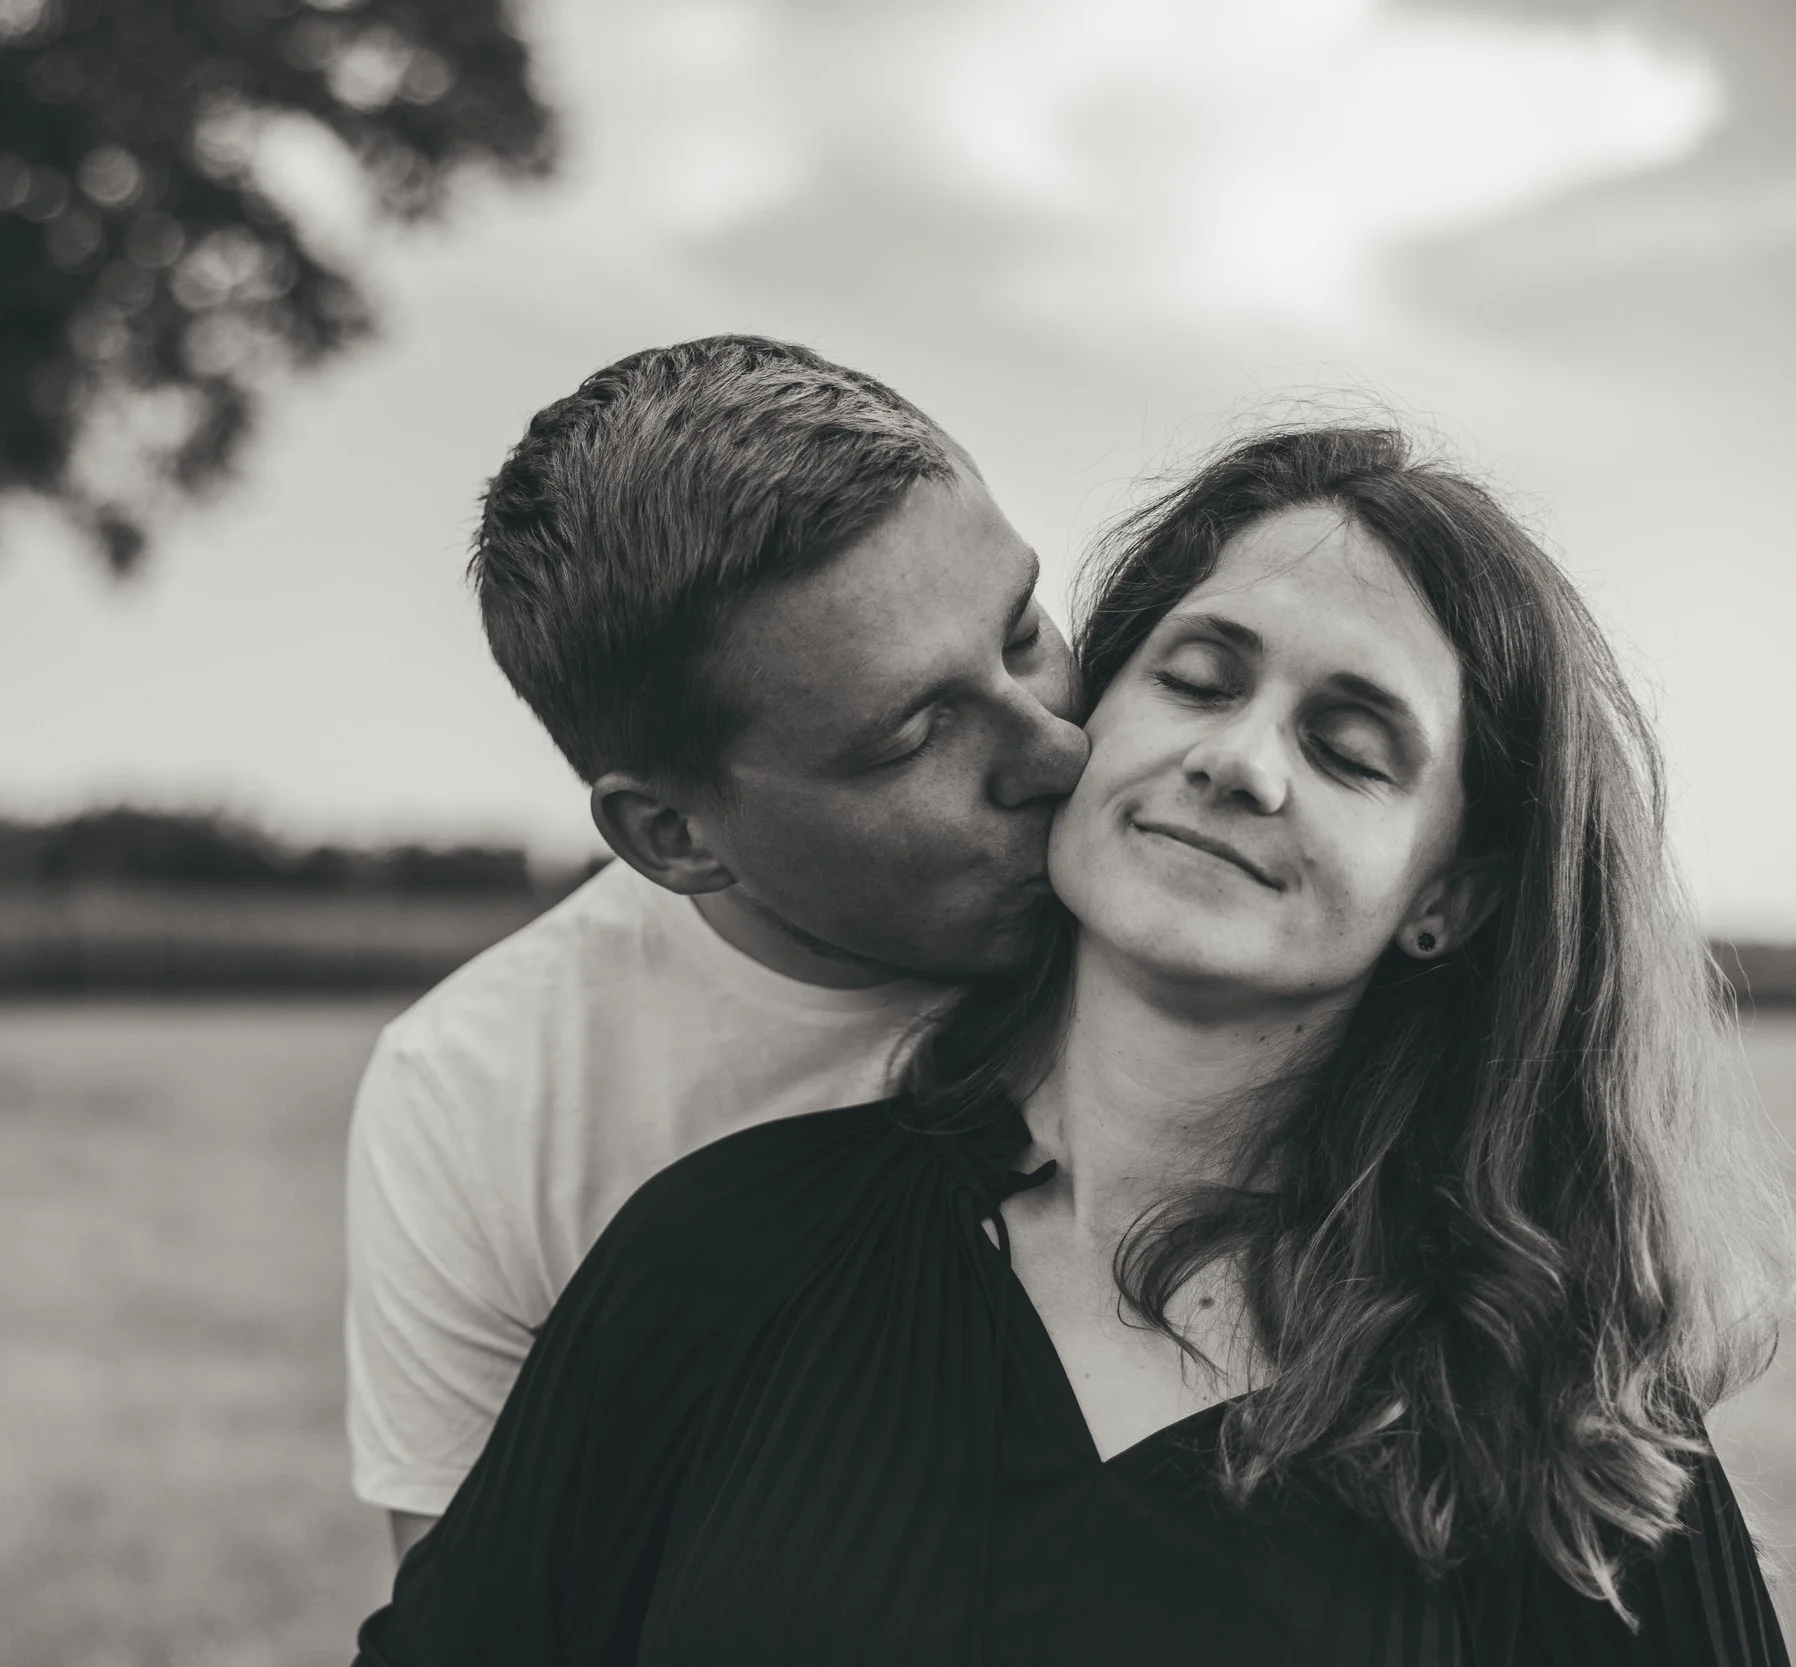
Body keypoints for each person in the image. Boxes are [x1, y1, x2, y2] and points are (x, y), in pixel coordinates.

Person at [354, 424, 1793, 1664]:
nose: (1240, 757)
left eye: (1353, 746)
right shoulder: (715, 1252)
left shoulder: (1550, 1399)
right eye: (1199, 675)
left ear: (1450, 896)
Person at [344, 337, 1088, 1554]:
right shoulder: (481, 1093)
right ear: (675, 834)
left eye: (1019, 636)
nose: (1059, 753)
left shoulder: (1202, 914)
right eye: (912, 736)